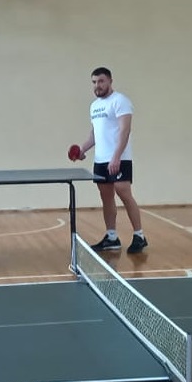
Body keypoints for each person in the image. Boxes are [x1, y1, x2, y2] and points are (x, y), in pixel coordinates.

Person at [75, 67, 147, 254]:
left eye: (101, 81)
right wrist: (82, 149)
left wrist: (116, 157)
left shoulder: (120, 101)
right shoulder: (94, 106)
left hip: (119, 158)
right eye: (94, 82)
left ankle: (139, 236)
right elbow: (95, 134)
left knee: (124, 193)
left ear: (110, 81)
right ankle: (111, 237)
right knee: (106, 197)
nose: (97, 85)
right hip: (100, 160)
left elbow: (125, 130)